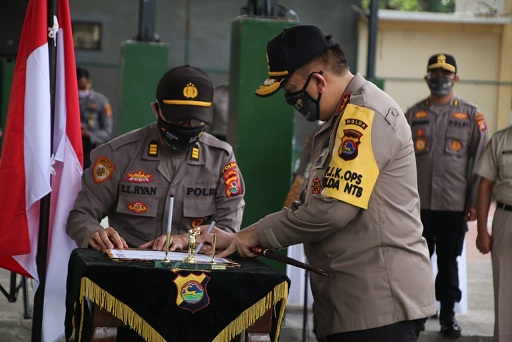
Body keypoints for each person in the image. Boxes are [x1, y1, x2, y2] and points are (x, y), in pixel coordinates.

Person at [199, 25, 436, 341]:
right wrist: (241, 236)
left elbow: (332, 210)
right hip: (353, 303)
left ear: (320, 80)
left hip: (378, 305)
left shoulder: (362, 116)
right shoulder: (336, 122)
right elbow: (307, 203)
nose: (291, 101)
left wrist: (253, 235)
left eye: (292, 91)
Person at [67, 65, 245, 254]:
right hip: (128, 268)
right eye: (177, 119)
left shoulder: (220, 159)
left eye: (194, 121)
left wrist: (186, 240)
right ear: (156, 109)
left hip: (194, 273)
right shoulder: (118, 155)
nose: (186, 127)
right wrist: (94, 232)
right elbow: (81, 215)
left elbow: (228, 229)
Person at [405, 53, 488, 337]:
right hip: (417, 206)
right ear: (427, 77)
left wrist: (474, 202)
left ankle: (448, 315)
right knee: (416, 261)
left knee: (448, 261)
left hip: (453, 204)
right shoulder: (413, 114)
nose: (441, 79)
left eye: (446, 74)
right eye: (435, 74)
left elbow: (480, 162)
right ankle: (416, 313)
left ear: (456, 78)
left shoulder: (470, 114)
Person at [474, 125, 512, 341]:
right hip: (506, 216)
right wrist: (481, 230)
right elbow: (485, 185)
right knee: (504, 287)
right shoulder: (500, 141)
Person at [77, 67, 114, 170]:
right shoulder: (65, 99)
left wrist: (88, 134)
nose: (80, 91)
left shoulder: (100, 101)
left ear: (88, 82)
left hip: (90, 147)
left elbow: (107, 131)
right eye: (77, 87)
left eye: (82, 87)